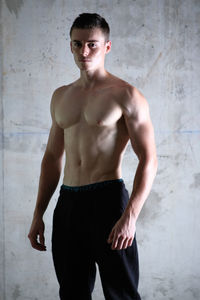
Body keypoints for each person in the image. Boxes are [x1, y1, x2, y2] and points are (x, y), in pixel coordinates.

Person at [28, 12, 158, 300]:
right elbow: (52, 158)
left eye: (92, 44)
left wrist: (131, 216)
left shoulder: (126, 95)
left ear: (107, 47)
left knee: (120, 293)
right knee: (72, 292)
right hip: (68, 202)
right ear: (70, 45)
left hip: (109, 201)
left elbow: (149, 159)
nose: (83, 51)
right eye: (77, 44)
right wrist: (39, 213)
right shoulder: (61, 96)